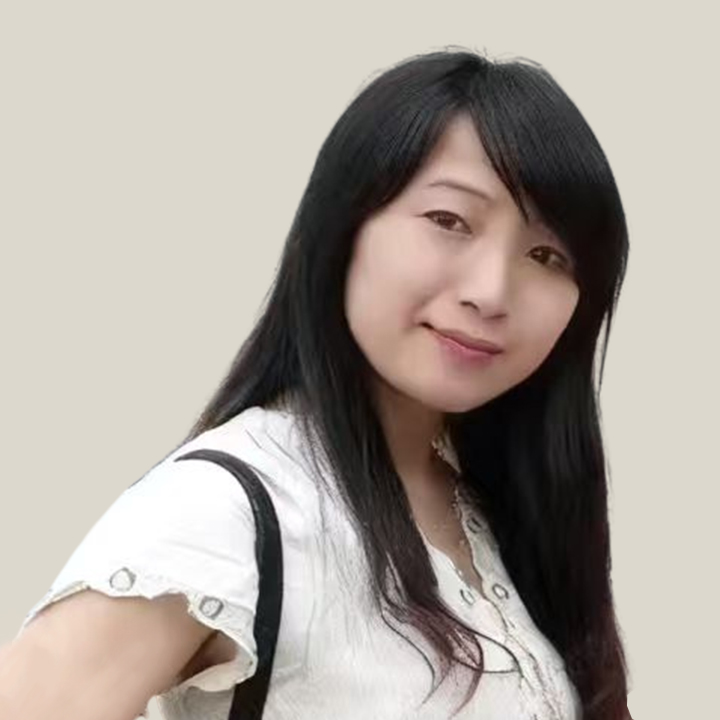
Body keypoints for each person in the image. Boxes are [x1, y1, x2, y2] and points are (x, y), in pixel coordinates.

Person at [0, 47, 633, 720]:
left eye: (546, 254)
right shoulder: (226, 510)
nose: (491, 291)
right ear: (342, 226)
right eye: (449, 221)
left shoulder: (500, 514)